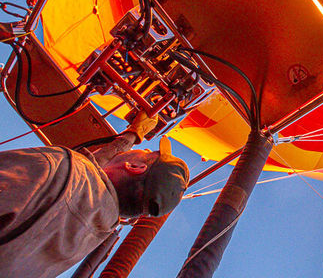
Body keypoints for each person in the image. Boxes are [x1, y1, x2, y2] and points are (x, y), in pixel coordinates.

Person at [0, 111, 190, 278]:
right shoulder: (92, 232)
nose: (141, 149)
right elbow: (90, 180)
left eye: (148, 151)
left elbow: (81, 175)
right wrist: (131, 135)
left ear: (136, 167)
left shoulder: (60, 167)